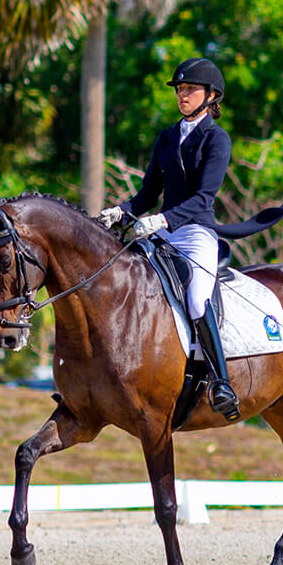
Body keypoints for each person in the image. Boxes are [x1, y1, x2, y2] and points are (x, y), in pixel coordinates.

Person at [97, 57, 240, 422]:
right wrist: (122, 211)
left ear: (211, 96)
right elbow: (148, 193)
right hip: (161, 231)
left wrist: (162, 218)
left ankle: (221, 382)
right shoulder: (167, 136)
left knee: (195, 297)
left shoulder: (216, 139)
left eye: (190, 89)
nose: (183, 95)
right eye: (179, 90)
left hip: (195, 233)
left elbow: (203, 198)